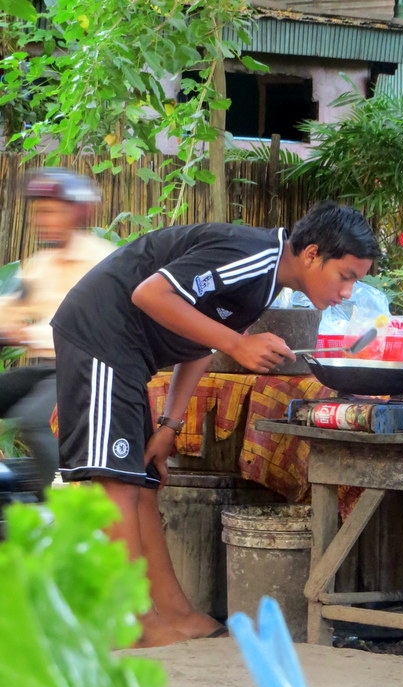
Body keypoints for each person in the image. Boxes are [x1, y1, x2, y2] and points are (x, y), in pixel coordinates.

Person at [50, 201, 381, 646]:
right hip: (101, 336)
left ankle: (175, 613)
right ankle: (128, 620)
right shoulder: (253, 254)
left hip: (127, 355)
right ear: (312, 253)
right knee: (117, 486)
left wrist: (169, 425)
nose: (348, 292)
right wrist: (238, 344)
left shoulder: (264, 281)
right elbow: (149, 294)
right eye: (346, 276)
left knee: (141, 480)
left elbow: (198, 344)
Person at [0, 168, 116, 493]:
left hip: (83, 369)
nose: (43, 219)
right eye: (39, 212)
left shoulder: (102, 260)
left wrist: (28, 334)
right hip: (43, 369)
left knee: (34, 420)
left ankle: (61, 502)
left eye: (52, 210)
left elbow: (100, 328)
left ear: (77, 212)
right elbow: (11, 310)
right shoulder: (40, 264)